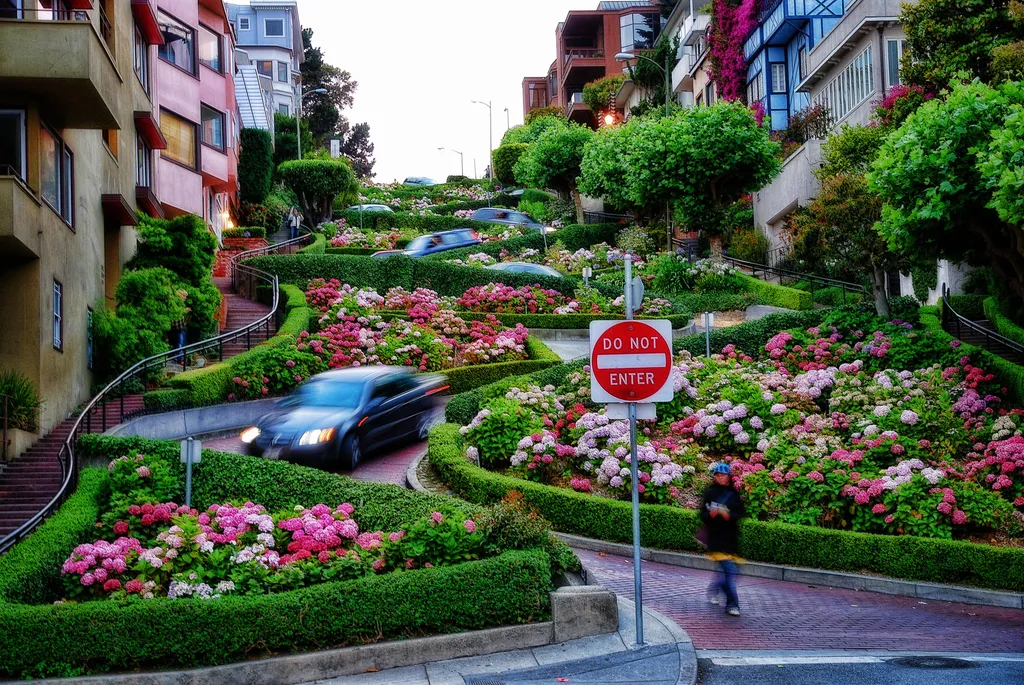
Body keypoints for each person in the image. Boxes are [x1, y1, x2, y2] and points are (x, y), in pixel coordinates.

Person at [700, 462, 746, 616]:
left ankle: (714, 590)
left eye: (724, 475)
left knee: (726, 573)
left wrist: (728, 515)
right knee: (729, 572)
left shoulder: (733, 494)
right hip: (716, 540)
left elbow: (740, 514)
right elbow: (702, 514)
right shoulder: (710, 493)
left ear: (729, 476)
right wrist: (710, 515)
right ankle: (733, 604)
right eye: (718, 475)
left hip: (731, 540)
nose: (721, 478)